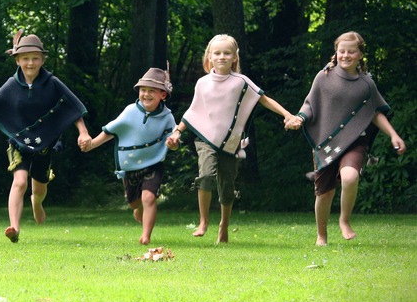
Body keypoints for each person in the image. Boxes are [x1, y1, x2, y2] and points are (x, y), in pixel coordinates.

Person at [0, 30, 91, 243]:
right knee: (19, 182)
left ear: (42, 59)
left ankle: (36, 203)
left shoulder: (53, 82)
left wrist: (83, 133)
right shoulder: (11, 85)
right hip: (19, 142)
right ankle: (14, 227)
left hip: (44, 144)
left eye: (35, 58)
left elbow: (73, 106)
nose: (30, 63)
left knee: (39, 188)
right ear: (17, 60)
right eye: (25, 58)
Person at [166, 34, 293, 244]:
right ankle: (203, 221)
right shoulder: (202, 83)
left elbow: (264, 99)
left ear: (235, 57)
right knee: (205, 176)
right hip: (205, 138)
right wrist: (177, 131)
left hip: (230, 143)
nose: (222, 57)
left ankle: (223, 226)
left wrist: (288, 115)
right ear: (209, 56)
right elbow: (193, 111)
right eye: (217, 53)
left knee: (226, 187)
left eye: (227, 53)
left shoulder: (240, 82)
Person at [284, 31, 406, 246]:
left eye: (352, 51)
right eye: (342, 51)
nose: (346, 55)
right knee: (324, 193)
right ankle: (321, 236)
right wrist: (299, 119)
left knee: (350, 177)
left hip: (355, 141)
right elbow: (309, 105)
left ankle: (344, 220)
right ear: (336, 52)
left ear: (360, 55)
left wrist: (393, 135)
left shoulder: (366, 84)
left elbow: (375, 112)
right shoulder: (324, 77)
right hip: (326, 143)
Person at [81, 66, 176, 245]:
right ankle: (137, 208)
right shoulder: (131, 111)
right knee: (134, 203)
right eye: (143, 90)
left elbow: (173, 138)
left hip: (153, 162)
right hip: (130, 164)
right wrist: (92, 144)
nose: (146, 94)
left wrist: (173, 144)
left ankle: (146, 236)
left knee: (149, 197)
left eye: (152, 91)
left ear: (163, 95)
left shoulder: (167, 117)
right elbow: (111, 130)